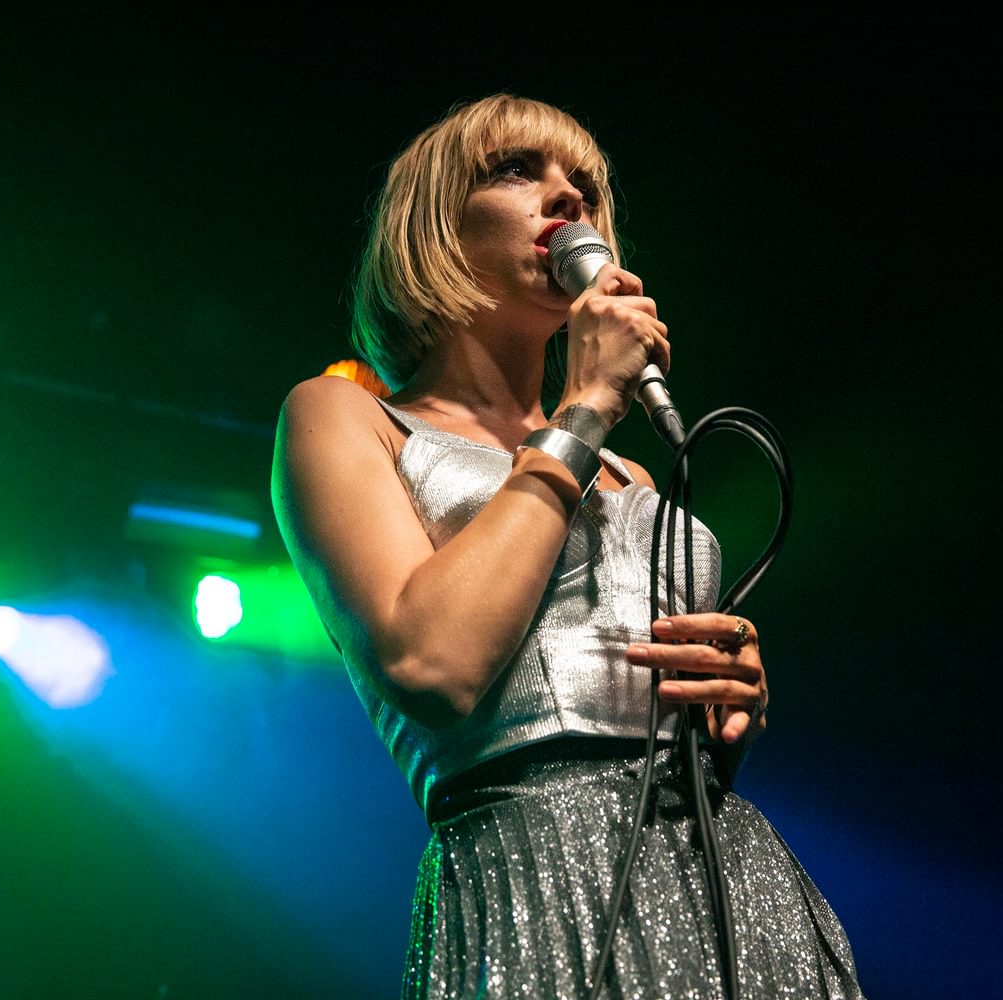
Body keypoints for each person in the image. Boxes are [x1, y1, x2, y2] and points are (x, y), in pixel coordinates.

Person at [272, 94, 863, 999]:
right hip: (535, 871)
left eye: (583, 186)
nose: (567, 199)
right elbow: (432, 663)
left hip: (725, 876)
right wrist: (583, 411)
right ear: (430, 226)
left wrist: (726, 714)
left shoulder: (636, 479)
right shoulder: (347, 418)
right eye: (519, 172)